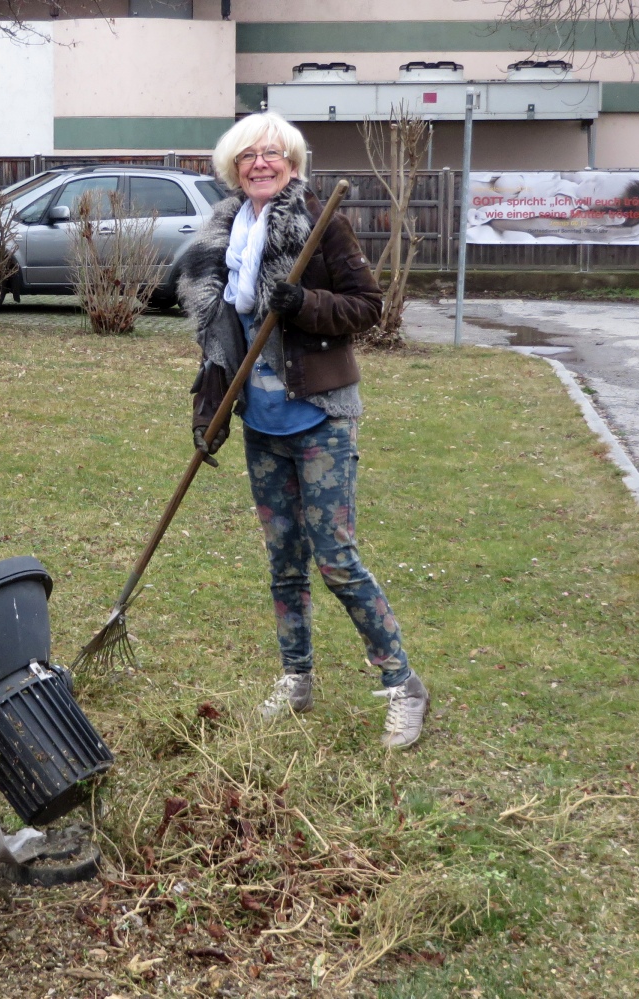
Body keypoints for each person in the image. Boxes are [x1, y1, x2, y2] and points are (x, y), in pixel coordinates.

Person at [176, 112, 429, 749]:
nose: (260, 165)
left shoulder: (322, 223)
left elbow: (368, 307)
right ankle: (297, 680)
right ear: (232, 168)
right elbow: (219, 343)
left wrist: (305, 304)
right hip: (263, 424)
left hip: (319, 418)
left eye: (273, 154)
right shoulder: (222, 237)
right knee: (284, 563)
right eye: (248, 157)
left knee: (336, 560)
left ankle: (403, 686)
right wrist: (209, 415)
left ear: (292, 162)